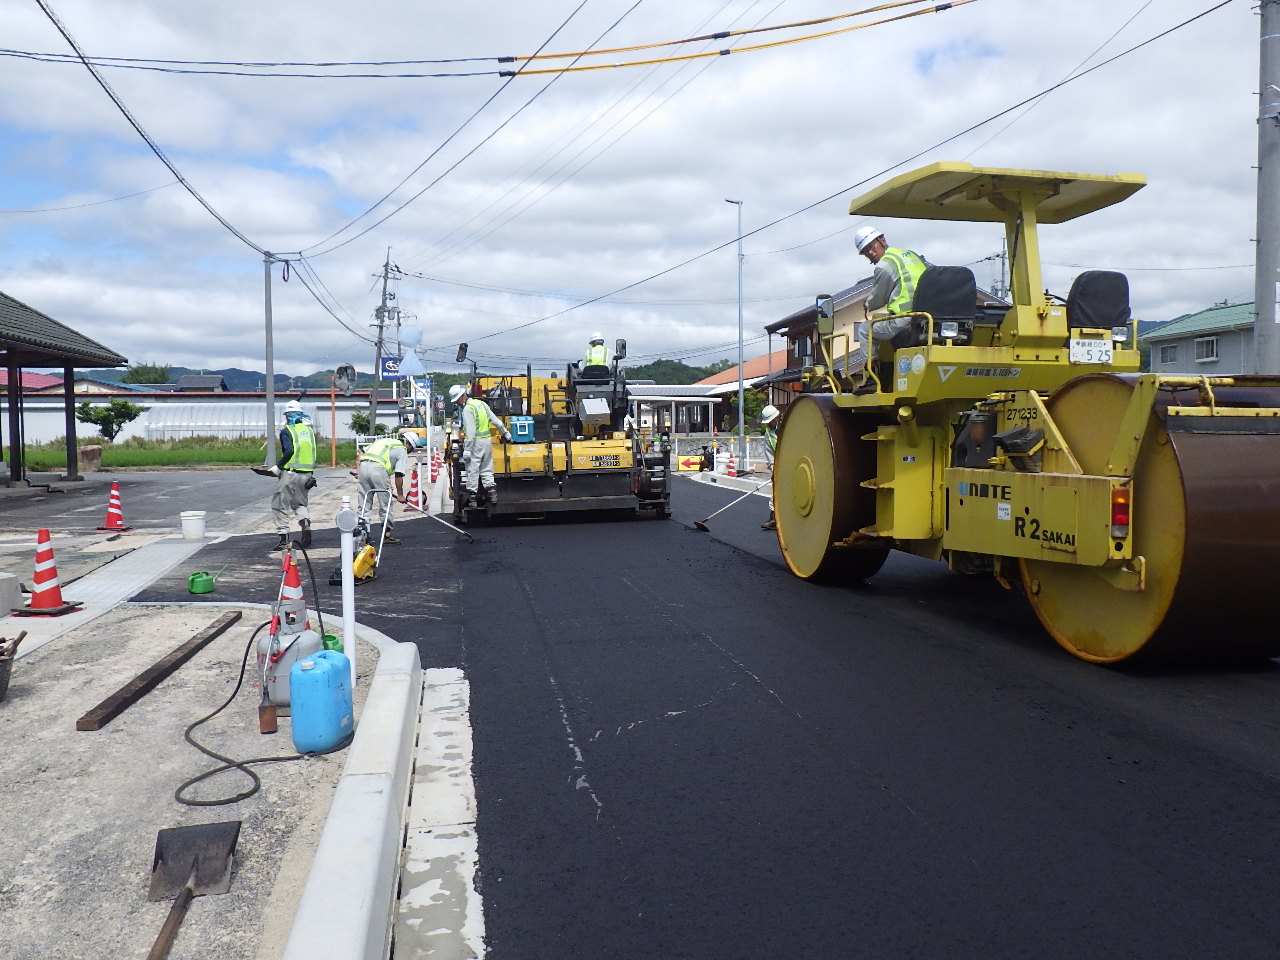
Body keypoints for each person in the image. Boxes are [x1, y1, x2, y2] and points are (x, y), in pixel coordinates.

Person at [853, 224, 930, 353]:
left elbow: (878, 298)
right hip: (928, 316)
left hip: (905, 319)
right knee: (879, 317)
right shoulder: (912, 255)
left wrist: (867, 304)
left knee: (865, 329)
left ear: (882, 241)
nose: (870, 253)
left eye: (871, 247)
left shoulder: (884, 265)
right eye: (866, 252)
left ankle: (871, 369)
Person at [449, 382, 512, 505]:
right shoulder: (482, 404)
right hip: (487, 441)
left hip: (476, 443)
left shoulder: (468, 409)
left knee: (473, 468)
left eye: (457, 401)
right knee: (487, 468)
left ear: (462, 397)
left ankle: (472, 498)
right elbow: (495, 420)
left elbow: (471, 432)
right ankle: (492, 493)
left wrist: (467, 450)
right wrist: (506, 433)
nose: (457, 403)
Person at [266, 401, 317, 551]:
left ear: (288, 416)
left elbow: (289, 451)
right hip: (307, 475)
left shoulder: (287, 431)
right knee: (299, 504)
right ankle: (305, 522)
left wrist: (278, 466)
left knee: (279, 505)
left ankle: (283, 540)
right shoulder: (309, 432)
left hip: (290, 473)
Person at [357, 432, 415, 544]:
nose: (409, 451)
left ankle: (363, 536)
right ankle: (386, 535)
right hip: (379, 470)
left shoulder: (383, 441)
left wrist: (358, 471)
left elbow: (362, 452)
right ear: (408, 444)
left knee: (364, 503)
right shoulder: (402, 450)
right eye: (411, 449)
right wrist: (401, 495)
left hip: (363, 466)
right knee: (385, 504)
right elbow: (399, 475)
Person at [759, 404, 780, 530]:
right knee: (775, 493)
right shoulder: (768, 433)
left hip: (793, 464)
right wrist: (774, 471)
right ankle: (773, 519)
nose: (768, 424)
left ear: (776, 418)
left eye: (769, 421)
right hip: (778, 466)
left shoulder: (788, 427)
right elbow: (769, 454)